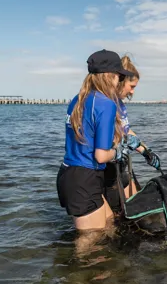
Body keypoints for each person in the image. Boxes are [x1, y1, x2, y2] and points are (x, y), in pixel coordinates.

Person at [56, 49, 135, 233]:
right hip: (85, 178)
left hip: (69, 173)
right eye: (118, 76)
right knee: (90, 247)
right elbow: (100, 156)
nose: (119, 81)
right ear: (110, 76)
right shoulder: (106, 103)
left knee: (109, 225)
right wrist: (119, 151)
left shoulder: (78, 99)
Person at [103, 55, 161, 213]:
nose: (132, 91)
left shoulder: (119, 104)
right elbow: (110, 138)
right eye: (132, 86)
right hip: (109, 169)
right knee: (117, 216)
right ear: (121, 80)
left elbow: (126, 130)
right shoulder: (107, 104)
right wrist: (124, 141)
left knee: (135, 206)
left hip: (121, 164)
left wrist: (146, 151)